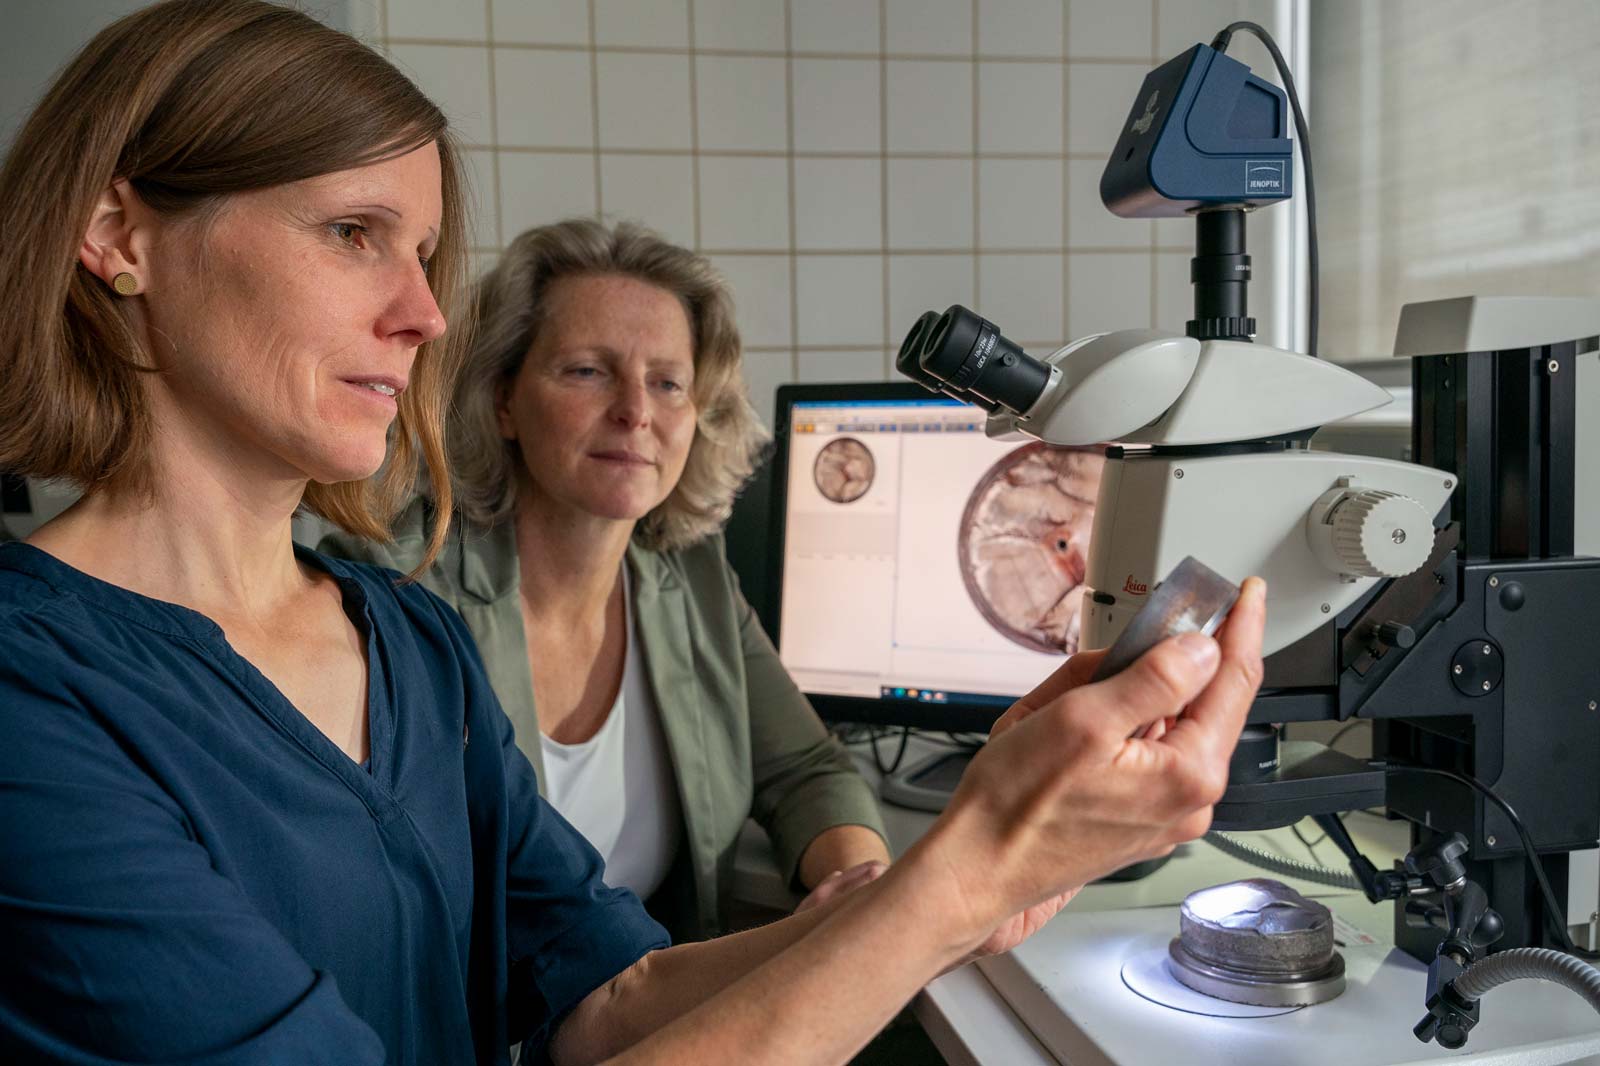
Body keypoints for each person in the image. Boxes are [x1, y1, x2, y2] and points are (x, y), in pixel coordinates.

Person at [0, 3, 1268, 1064]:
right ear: (121, 237)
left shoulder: (407, 646)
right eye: (351, 235)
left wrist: (962, 878)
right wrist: (966, 870)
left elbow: (608, 996)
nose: (422, 316)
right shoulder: (32, 697)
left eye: (425, 254)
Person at [321, 219, 890, 940]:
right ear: (503, 401)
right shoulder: (392, 588)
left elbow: (806, 769)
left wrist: (857, 883)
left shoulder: (691, 576)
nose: (635, 411)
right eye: (587, 371)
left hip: (644, 1005)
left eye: (667, 382)